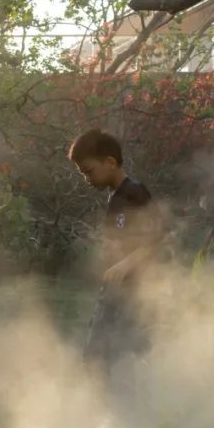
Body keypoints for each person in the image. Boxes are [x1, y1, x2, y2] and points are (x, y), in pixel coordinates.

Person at [68, 129, 162, 380]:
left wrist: (123, 266)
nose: (86, 179)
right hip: (115, 292)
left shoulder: (135, 192)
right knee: (99, 354)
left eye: (89, 171)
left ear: (110, 162)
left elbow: (156, 240)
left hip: (134, 291)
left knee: (124, 354)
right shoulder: (115, 199)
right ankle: (104, 405)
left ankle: (129, 404)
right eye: (82, 174)